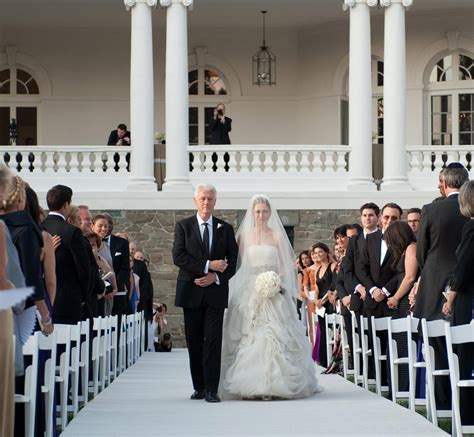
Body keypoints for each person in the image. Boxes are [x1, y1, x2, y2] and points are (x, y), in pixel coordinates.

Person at [220, 194, 320, 400]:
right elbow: (235, 262)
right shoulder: (243, 236)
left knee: (275, 333)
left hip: (273, 289)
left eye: (265, 211)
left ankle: (275, 383)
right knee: (249, 334)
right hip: (250, 289)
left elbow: (284, 265)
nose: (261, 215)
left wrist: (277, 282)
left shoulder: (276, 236)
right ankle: (249, 382)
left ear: (270, 213)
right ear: (252, 213)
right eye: (257, 211)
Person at [172, 183, 238, 403]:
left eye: (210, 199)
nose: (206, 202)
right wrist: (209, 265)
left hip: (215, 293)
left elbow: (233, 261)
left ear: (215, 202)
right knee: (194, 340)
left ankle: (211, 389)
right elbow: (179, 257)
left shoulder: (225, 229)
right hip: (191, 291)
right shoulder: (183, 226)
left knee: (212, 340)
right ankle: (198, 387)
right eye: (202, 199)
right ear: (195, 201)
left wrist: (215, 277)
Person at [415, 162, 469, 412]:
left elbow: (422, 253)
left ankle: (443, 404)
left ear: (445, 184)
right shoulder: (469, 210)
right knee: (464, 345)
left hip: (435, 285)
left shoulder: (431, 210)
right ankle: (466, 403)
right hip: (468, 284)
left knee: (437, 347)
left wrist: (432, 272)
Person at [442, 179, 474, 426]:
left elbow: (463, 268)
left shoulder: (471, 228)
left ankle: (467, 416)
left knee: (465, 357)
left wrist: (450, 298)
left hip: (469, 301)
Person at [43, 185, 92, 324]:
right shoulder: (71, 232)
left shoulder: (38, 227)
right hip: (68, 301)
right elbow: (84, 269)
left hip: (42, 300)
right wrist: (84, 296)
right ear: (66, 204)